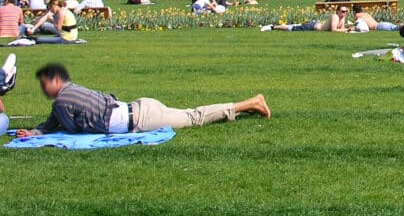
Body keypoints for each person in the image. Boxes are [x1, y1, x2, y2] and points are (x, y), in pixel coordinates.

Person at [15, 62, 270, 137]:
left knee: (195, 117)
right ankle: (245, 108)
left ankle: (250, 103)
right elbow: (53, 122)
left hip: (141, 119)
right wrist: (35, 132)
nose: (43, 88)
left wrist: (42, 131)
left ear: (56, 81)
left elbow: (69, 128)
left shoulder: (61, 102)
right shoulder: (72, 91)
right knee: (190, 114)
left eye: (44, 83)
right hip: (137, 107)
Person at [263, 7, 350, 32]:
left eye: (346, 11)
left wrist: (346, 29)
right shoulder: (335, 16)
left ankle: (274, 26)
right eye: (343, 11)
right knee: (292, 28)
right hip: (312, 27)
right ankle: (272, 27)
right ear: (338, 11)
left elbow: (341, 29)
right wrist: (347, 29)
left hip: (316, 24)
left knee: (295, 26)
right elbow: (334, 30)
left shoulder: (342, 18)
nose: (345, 13)